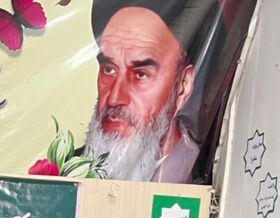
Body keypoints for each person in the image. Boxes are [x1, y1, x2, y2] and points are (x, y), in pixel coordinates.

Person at [85, 0, 205, 182]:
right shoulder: (65, 172)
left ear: (183, 86)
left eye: (140, 74)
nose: (115, 98)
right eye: (109, 69)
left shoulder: (206, 173)